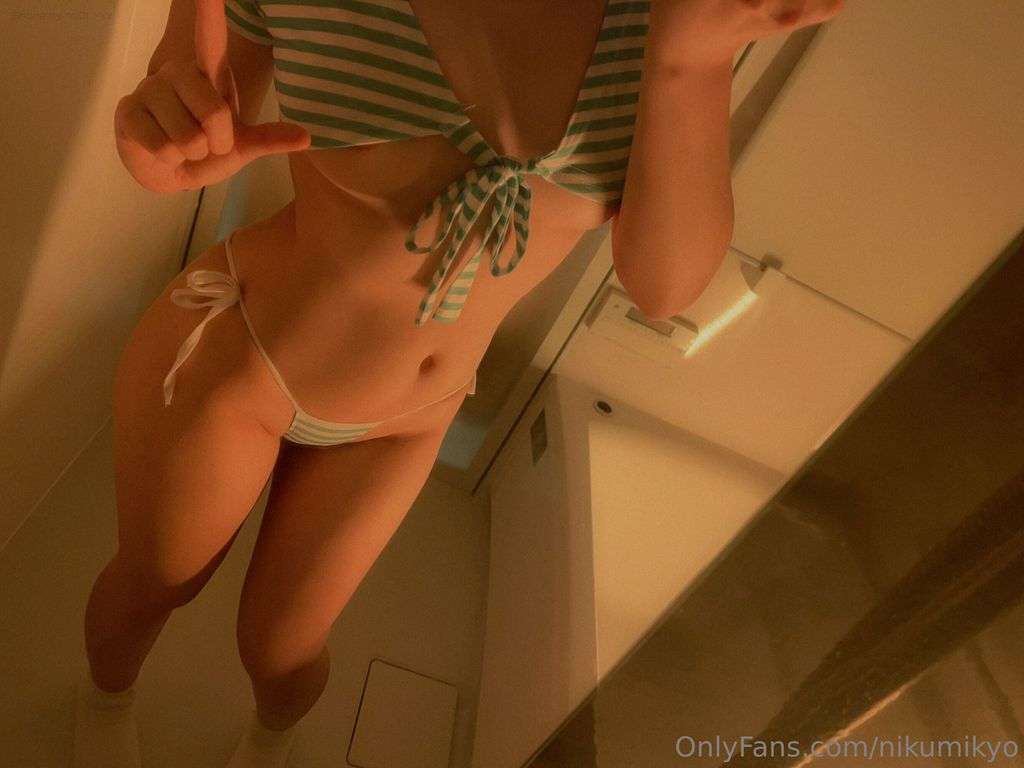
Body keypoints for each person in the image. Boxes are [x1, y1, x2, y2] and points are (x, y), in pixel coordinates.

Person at [73, 0, 845, 766]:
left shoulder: (678, 20)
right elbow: (184, 105)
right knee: (154, 584)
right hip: (236, 352)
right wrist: (157, 148)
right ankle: (103, 706)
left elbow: (664, 289)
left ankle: (268, 744)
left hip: (405, 423)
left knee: (281, 651)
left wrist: (688, 65)